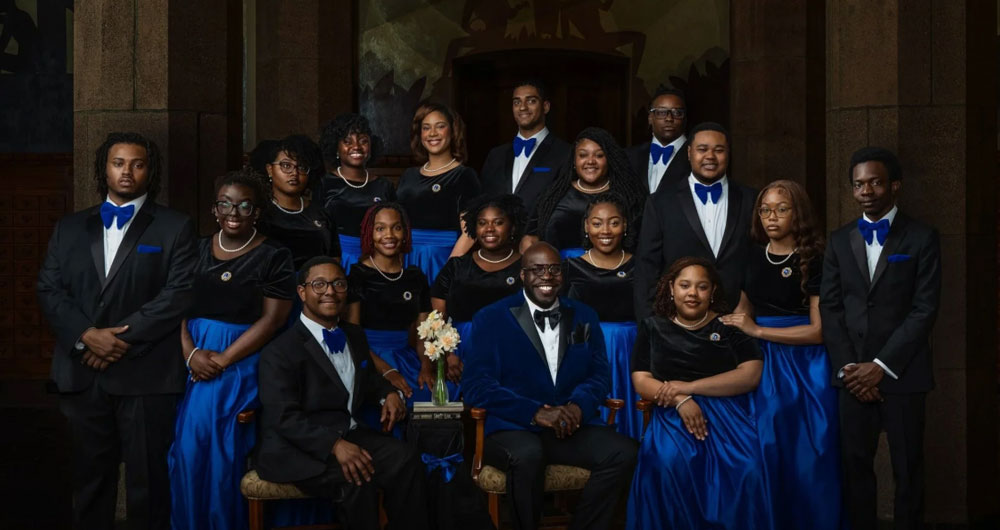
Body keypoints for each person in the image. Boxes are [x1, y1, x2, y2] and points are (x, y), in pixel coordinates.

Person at [37, 132, 197, 529]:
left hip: (147, 376)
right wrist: (86, 335)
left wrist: (117, 340)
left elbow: (177, 295)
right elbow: (49, 289)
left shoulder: (176, 227)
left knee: (148, 484)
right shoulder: (69, 227)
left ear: (150, 170)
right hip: (82, 376)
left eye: (137, 164)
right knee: (90, 483)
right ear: (104, 169)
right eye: (118, 163)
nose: (128, 171)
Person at [463, 242, 638, 530]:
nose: (547, 276)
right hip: (513, 427)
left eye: (554, 269)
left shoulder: (584, 315)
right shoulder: (491, 318)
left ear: (562, 274)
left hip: (569, 426)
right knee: (529, 454)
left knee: (626, 452)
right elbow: (477, 385)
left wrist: (578, 407)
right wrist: (536, 412)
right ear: (523, 275)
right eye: (537, 269)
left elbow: (599, 375)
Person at [256, 257, 429, 530]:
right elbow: (283, 418)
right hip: (296, 448)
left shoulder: (353, 334)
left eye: (338, 283)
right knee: (359, 479)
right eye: (319, 284)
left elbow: (367, 379)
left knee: (407, 459)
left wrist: (388, 394)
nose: (330, 291)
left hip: (347, 432)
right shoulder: (279, 352)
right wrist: (334, 445)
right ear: (302, 292)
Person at [820, 147, 941, 530]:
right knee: (854, 466)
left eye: (874, 182)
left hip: (903, 372)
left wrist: (881, 366)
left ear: (894, 186)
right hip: (851, 375)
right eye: (858, 184)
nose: (866, 191)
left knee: (908, 467)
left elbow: (925, 309)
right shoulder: (838, 241)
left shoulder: (922, 237)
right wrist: (850, 368)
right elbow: (831, 308)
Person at [167, 168, 295, 530]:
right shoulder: (193, 249)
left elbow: (272, 321)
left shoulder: (274, 255)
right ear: (214, 209)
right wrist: (191, 353)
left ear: (256, 212)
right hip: (191, 357)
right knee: (188, 451)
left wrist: (222, 359)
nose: (233, 212)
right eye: (225, 204)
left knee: (218, 448)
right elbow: (174, 306)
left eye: (243, 206)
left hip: (242, 360)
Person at [719, 179, 842, 530]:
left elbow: (818, 331)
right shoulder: (750, 254)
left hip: (805, 366)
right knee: (762, 449)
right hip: (760, 361)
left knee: (808, 453)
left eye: (782, 209)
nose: (772, 217)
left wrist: (759, 331)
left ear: (797, 213)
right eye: (765, 209)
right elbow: (744, 312)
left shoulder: (815, 258)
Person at [627, 257, 770, 529]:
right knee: (667, 463)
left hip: (729, 417)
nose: (692, 293)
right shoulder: (652, 327)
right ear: (671, 288)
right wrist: (681, 400)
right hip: (672, 416)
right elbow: (641, 380)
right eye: (684, 285)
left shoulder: (730, 327)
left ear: (713, 291)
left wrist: (689, 387)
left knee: (748, 468)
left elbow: (751, 375)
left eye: (702, 287)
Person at [633, 121, 756, 319]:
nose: (710, 156)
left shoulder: (751, 199)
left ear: (729, 154)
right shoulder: (660, 202)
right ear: (689, 153)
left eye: (719, 150)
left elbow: (758, 258)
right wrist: (651, 326)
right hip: (676, 322)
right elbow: (647, 269)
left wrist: (751, 302)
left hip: (737, 320)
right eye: (702, 149)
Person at [561, 193, 641, 439]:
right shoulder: (570, 267)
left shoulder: (640, 266)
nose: (605, 230)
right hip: (586, 350)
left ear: (625, 225)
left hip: (631, 351)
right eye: (597, 223)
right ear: (587, 226)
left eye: (614, 222)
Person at [429, 194, 526, 396]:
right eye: (482, 223)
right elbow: (437, 318)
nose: (489, 229)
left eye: (498, 223)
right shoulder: (456, 266)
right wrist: (447, 355)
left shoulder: (526, 267)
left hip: (511, 348)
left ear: (513, 227)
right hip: (461, 350)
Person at [346, 203, 431, 404]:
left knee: (431, 393)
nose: (389, 235)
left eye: (396, 227)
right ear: (370, 233)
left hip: (407, 356)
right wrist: (387, 370)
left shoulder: (415, 276)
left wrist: (426, 367)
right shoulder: (358, 275)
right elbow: (352, 333)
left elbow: (423, 334)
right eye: (380, 228)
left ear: (405, 233)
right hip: (369, 356)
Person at [526, 127, 645, 259]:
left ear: (609, 160)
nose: (590, 161)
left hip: (612, 274)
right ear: (574, 161)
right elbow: (530, 239)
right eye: (583, 155)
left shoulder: (628, 195)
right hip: (557, 274)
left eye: (599, 155)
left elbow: (643, 243)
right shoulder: (553, 195)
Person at [396, 101, 481, 281]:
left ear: (452, 130)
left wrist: (448, 272)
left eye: (440, 126)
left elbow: (470, 233)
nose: (432, 133)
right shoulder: (408, 175)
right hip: (404, 258)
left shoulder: (464, 176)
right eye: (426, 128)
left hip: (443, 259)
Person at [479, 79, 571, 215]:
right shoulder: (496, 155)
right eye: (517, 102)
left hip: (541, 235)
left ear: (545, 107)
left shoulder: (565, 152)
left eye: (531, 101)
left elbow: (566, 205)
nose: (522, 107)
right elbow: (483, 201)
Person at [320, 113, 397, 273]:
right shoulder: (325, 183)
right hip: (338, 258)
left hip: (379, 258)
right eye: (347, 141)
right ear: (336, 147)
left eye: (363, 141)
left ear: (371, 147)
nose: (356, 147)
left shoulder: (384, 186)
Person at [257, 135, 342, 271]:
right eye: (286, 166)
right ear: (269, 169)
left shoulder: (322, 214)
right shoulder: (258, 213)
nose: (294, 173)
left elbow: (334, 259)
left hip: (316, 288)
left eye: (301, 167)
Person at [625, 87, 691, 194]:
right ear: (650, 118)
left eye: (677, 113)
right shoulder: (629, 157)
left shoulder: (699, 156)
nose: (669, 118)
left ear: (685, 119)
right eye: (661, 112)